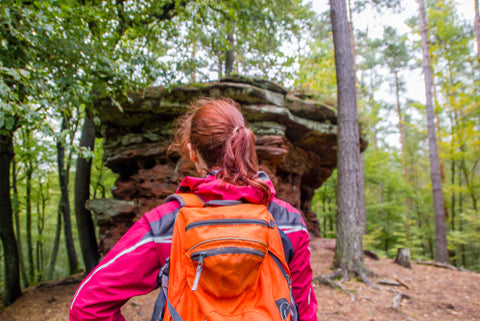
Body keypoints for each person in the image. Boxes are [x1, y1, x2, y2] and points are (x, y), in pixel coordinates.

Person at [69, 97, 318, 321]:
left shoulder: (164, 224)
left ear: (192, 151)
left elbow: (87, 306)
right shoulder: (288, 221)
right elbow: (303, 308)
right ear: (245, 144)